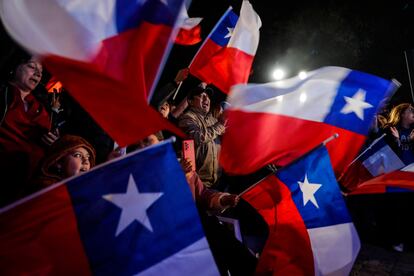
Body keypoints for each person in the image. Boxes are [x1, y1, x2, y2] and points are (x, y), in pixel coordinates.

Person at [0, 55, 59, 206]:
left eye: (41, 71)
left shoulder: (41, 108)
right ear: (15, 67)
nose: (38, 74)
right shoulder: (3, 93)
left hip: (31, 185)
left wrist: (54, 142)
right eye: (32, 67)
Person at [178, 86, 226, 188]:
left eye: (207, 97)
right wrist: (220, 125)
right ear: (190, 101)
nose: (206, 99)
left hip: (217, 182)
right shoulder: (187, 118)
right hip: (198, 184)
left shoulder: (213, 120)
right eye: (201, 96)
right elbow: (198, 137)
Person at [30, 134, 96, 191]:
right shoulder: (46, 189)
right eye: (78, 155)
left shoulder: (89, 189)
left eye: (88, 157)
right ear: (58, 161)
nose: (86, 161)